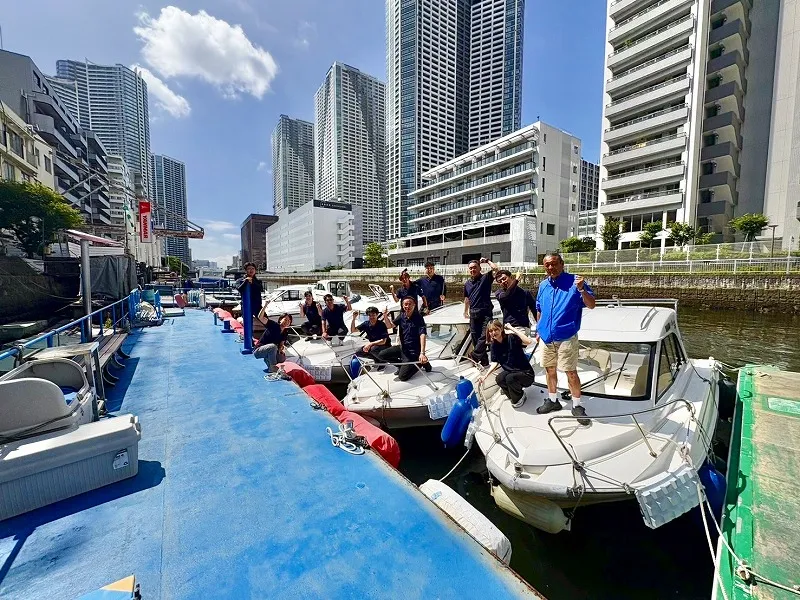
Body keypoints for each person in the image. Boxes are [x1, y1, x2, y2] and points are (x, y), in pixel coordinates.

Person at [535, 251, 596, 425]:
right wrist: (538, 329)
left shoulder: (575, 282)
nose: (551, 267)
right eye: (547, 265)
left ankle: (576, 405)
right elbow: (539, 308)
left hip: (566, 336)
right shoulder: (543, 285)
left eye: (554, 264)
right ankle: (553, 400)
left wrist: (582, 289)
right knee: (549, 370)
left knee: (571, 372)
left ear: (562, 264)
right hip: (546, 337)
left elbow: (591, 305)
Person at [478, 320, 536, 408]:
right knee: (499, 378)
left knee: (510, 378)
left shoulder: (511, 338)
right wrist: (485, 376)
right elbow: (495, 362)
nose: (493, 333)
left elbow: (528, 341)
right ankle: (517, 395)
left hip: (526, 373)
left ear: (501, 329)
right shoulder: (494, 345)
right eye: (490, 331)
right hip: (512, 372)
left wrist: (512, 328)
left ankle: (518, 398)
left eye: (496, 329)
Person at [378, 297, 432, 381]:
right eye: (405, 304)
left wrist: (422, 353)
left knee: (402, 377)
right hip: (403, 348)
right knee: (381, 355)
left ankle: (420, 363)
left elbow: (422, 334)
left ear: (414, 305)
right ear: (403, 306)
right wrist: (385, 315)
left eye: (410, 304)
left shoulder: (418, 318)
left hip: (413, 351)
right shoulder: (402, 316)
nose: (408, 306)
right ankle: (402, 365)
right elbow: (390, 326)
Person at [463, 257, 499, 366]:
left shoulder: (485, 278)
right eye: (470, 268)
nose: (472, 270)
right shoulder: (467, 284)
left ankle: (474, 355)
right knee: (475, 338)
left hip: (485, 313)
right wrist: (465, 311)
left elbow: (496, 269)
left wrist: (487, 261)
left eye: (475, 267)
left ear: (479, 268)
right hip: (473, 313)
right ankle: (483, 361)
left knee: (485, 336)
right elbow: (467, 299)